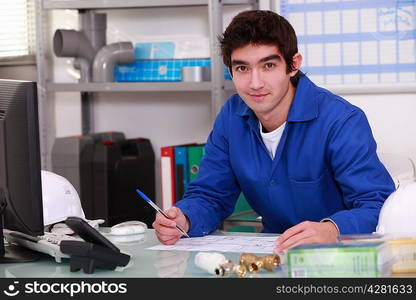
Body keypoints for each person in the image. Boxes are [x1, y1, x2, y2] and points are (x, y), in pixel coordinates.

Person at [153, 10, 395, 253]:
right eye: (242, 68)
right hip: (273, 253)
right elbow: (210, 195)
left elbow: (378, 204)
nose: (255, 83)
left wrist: (332, 229)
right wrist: (185, 219)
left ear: (293, 65)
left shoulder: (342, 120)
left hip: (340, 257)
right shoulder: (231, 117)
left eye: (268, 65)